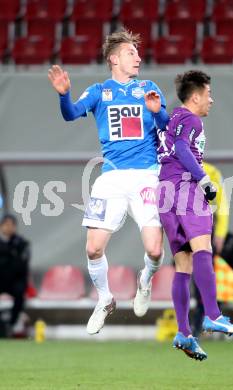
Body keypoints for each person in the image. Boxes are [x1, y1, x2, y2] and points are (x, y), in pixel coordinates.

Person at [48, 29, 169, 335]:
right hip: (112, 178)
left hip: (146, 175)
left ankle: (145, 281)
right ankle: (105, 298)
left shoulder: (149, 88)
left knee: (154, 251)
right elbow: (70, 114)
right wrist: (64, 95)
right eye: (131, 53)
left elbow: (166, 125)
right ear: (114, 59)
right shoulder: (99, 91)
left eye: (138, 54)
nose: (138, 58)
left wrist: (157, 113)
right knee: (93, 249)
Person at [157, 70, 233, 361]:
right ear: (195, 97)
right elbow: (182, 148)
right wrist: (203, 179)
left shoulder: (173, 119)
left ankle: (184, 332)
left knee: (184, 264)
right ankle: (213, 314)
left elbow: (170, 143)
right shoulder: (191, 120)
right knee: (203, 248)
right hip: (185, 189)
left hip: (165, 193)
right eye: (208, 94)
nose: (212, 100)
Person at [191, 161, 233, 337]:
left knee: (205, 277)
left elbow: (222, 204)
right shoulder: (178, 166)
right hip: (186, 232)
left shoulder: (212, 172)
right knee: (195, 278)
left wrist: (220, 233)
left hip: (206, 231)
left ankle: (205, 319)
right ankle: (203, 320)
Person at [0, 214, 30, 336]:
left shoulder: (21, 243)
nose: (9, 228)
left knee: (20, 292)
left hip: (14, 281)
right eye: (6, 225)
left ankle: (12, 324)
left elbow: (21, 265)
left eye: (12, 225)